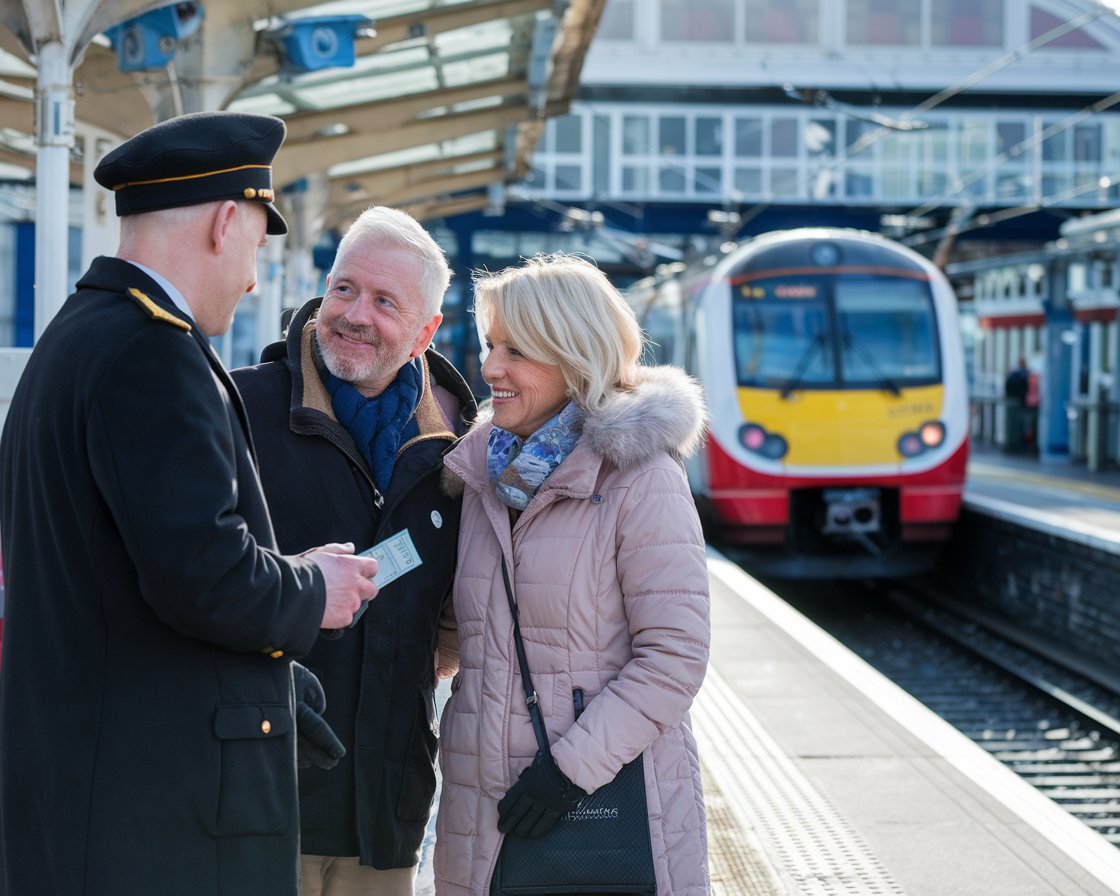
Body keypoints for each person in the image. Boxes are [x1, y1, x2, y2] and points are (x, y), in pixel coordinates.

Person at [0, 111, 380, 896]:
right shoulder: (153, 354)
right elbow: (203, 577)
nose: (251, 279)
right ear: (224, 220)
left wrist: (280, 572)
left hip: (90, 792)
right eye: (254, 245)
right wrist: (314, 588)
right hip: (152, 819)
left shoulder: (75, 338)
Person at [433, 253, 712, 895]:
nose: (491, 368)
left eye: (517, 352)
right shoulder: (479, 476)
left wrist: (568, 771)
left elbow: (674, 657)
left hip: (604, 811)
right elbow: (455, 633)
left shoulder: (642, 479)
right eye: (491, 345)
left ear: (574, 357)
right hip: (482, 818)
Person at [231, 205, 477, 896]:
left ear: (426, 331)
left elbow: (462, 611)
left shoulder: (458, 455)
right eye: (344, 288)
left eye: (384, 301)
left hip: (385, 820)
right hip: (257, 804)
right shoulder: (241, 412)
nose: (354, 314)